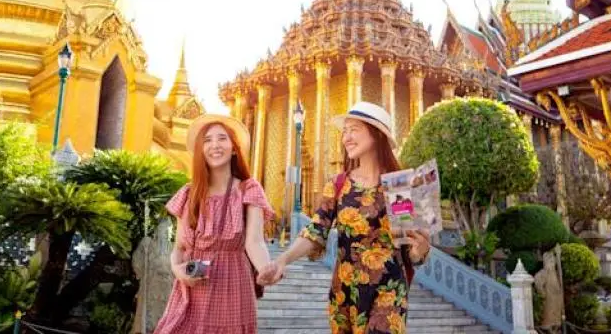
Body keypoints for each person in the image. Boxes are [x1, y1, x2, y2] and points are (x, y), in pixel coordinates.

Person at [258, 101, 431, 334]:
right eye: (345, 131)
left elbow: (410, 249)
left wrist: (420, 251)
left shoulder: (399, 186)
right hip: (345, 293)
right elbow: (316, 231)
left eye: (354, 130)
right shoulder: (339, 184)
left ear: (377, 135)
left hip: (389, 291)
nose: (346, 137)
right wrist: (282, 260)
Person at [154, 114, 274, 334]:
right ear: (200, 150)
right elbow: (179, 247)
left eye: (222, 138)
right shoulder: (188, 194)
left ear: (234, 148)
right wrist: (178, 271)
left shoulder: (248, 189)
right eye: (208, 140)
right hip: (193, 285)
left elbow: (255, 242)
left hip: (232, 283)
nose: (215, 145)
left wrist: (266, 268)